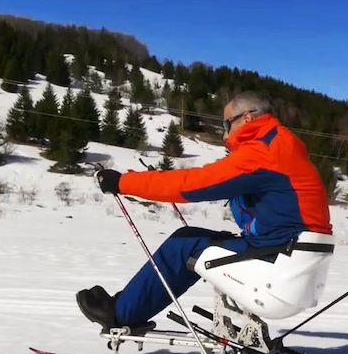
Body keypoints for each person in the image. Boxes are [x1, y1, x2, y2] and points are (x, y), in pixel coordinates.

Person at [77, 91, 332, 331]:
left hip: (279, 266)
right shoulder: (281, 146)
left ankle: (120, 314)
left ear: (247, 118)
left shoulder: (264, 152)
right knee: (201, 238)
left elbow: (194, 184)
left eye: (226, 125)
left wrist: (123, 183)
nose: (224, 135)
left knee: (183, 244)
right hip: (292, 261)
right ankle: (129, 304)